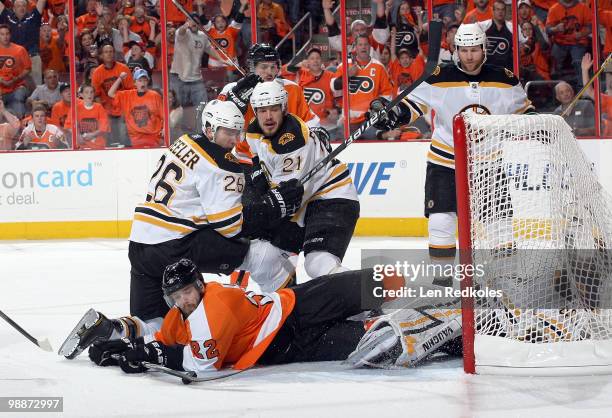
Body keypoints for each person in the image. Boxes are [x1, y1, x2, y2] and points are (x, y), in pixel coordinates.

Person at [58, 99, 305, 360]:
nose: (234, 139)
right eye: (228, 132)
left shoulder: (185, 141)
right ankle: (293, 321)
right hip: (176, 245)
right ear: (210, 130)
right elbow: (230, 227)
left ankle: (110, 329)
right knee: (263, 255)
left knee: (159, 325)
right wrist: (272, 206)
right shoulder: (224, 165)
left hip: (140, 246)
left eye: (237, 131)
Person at [82, 259, 461, 374]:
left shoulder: (213, 305)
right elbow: (182, 352)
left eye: (187, 292)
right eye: (176, 297)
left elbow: (190, 358)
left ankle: (448, 283)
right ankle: (451, 331)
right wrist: (127, 348)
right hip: (283, 344)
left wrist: (145, 355)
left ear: (199, 284)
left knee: (370, 281)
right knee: (372, 340)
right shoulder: (186, 316)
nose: (183, 301)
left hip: (294, 302)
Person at [368, 23, 533, 272]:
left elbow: (525, 110)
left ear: (483, 49)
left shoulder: (504, 79)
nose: (469, 56)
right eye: (464, 50)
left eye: (474, 50)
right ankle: (443, 282)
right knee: (441, 222)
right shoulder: (438, 76)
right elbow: (411, 107)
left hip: (488, 162)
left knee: (499, 225)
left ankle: (506, 279)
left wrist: (539, 124)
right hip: (445, 162)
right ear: (456, 49)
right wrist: (391, 114)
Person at [246, 81, 360, 278]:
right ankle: (291, 304)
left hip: (331, 197)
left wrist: (254, 215)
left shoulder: (293, 142)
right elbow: (256, 156)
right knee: (270, 258)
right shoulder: (254, 129)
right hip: (303, 205)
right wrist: (257, 174)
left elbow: (285, 201)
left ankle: (370, 295)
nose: (269, 116)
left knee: (319, 264)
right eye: (262, 110)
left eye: (274, 109)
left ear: (284, 108)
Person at [220, 43, 318, 162]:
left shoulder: (292, 89)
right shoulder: (233, 90)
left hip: (284, 158)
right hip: (245, 159)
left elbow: (311, 123)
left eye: (273, 67)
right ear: (252, 68)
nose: (269, 72)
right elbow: (217, 128)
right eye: (264, 67)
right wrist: (234, 103)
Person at [330, 34, 394, 139]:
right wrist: (347, 75)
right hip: (348, 119)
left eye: (366, 44)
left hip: (370, 119)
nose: (363, 47)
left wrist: (375, 111)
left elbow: (387, 95)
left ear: (370, 47)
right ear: (355, 47)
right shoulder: (345, 65)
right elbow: (333, 86)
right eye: (360, 44)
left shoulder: (379, 67)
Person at [91, 42, 134, 146]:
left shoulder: (123, 68)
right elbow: (95, 95)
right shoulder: (97, 72)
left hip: (122, 109)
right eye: (106, 52)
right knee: (108, 141)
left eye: (111, 51)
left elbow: (130, 90)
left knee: (123, 138)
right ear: (101, 55)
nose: (109, 54)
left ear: (114, 54)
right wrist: (102, 112)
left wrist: (126, 109)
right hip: (106, 110)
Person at [107, 68, 163, 148]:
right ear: (135, 83)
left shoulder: (155, 96)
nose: (143, 83)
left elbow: (163, 115)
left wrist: (164, 129)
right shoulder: (127, 95)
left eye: (145, 80)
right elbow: (110, 93)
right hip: (135, 139)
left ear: (148, 82)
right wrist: (120, 78)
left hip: (153, 137)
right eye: (140, 81)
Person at [323, 0, 390, 62]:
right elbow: (333, 30)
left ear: (366, 31)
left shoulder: (374, 41)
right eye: (356, 30)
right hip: (351, 74)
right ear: (352, 33)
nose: (359, 32)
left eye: (362, 29)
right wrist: (326, 9)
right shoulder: (346, 44)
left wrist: (380, 3)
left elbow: (381, 23)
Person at [545, 0, 591, 88]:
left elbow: (591, 26)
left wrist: (581, 34)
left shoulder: (583, 7)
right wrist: (556, 28)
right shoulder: (554, 8)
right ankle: (556, 89)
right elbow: (548, 30)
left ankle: (583, 88)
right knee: (554, 61)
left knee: (579, 62)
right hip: (560, 43)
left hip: (578, 43)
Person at [0, 0, 46, 85]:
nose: (21, 8)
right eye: (18, 6)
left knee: (36, 89)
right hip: (14, 60)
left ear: (27, 8)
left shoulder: (33, 17)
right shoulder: (7, 17)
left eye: (24, 6)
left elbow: (42, 2)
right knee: (15, 89)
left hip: (32, 58)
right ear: (13, 8)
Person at [0, 24, 31, 118]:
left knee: (18, 98)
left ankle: (21, 123)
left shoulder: (20, 50)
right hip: (1, 88)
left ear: (10, 35)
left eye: (7, 34)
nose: (5, 37)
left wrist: (15, 79)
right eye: (2, 34)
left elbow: (28, 69)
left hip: (17, 86)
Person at [479, 0, 513, 70]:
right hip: (486, 69)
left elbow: (526, 42)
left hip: (506, 70)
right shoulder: (483, 26)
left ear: (505, 12)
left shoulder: (513, 27)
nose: (500, 12)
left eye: (502, 10)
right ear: (493, 11)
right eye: (498, 9)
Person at [76, 82, 109, 149]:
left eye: (91, 92)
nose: (89, 95)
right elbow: (70, 125)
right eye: (86, 92)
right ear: (81, 94)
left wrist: (93, 134)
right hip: (82, 146)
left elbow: (104, 127)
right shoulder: (76, 108)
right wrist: (77, 135)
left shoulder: (99, 107)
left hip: (98, 146)